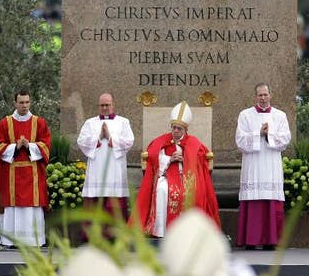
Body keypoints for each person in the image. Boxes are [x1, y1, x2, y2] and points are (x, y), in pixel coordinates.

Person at [134, 101, 220, 237]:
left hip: (187, 177)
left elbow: (202, 161)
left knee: (189, 192)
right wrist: (169, 159)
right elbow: (154, 157)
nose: (175, 131)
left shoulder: (194, 143)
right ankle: (161, 231)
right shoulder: (162, 140)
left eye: (179, 128)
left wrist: (186, 158)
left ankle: (187, 233)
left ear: (185, 130)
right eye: (174, 127)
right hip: (166, 176)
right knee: (162, 189)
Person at [235, 83, 292, 250]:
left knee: (271, 200)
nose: (263, 98)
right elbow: (239, 140)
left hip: (271, 164)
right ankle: (251, 240)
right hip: (253, 165)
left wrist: (269, 135)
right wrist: (258, 134)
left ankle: (271, 240)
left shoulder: (280, 116)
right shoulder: (245, 115)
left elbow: (286, 139)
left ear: (271, 95)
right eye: (260, 95)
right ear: (255, 96)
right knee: (253, 199)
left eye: (265, 94)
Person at [0, 90, 52, 247]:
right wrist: (15, 146)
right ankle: (10, 240)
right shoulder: (5, 123)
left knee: (30, 207)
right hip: (11, 173)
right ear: (15, 103)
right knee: (12, 206)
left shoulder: (39, 122)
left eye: (27, 102)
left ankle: (33, 240)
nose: (24, 106)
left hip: (33, 173)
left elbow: (46, 145)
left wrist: (29, 146)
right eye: (21, 102)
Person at [76, 92, 135, 225]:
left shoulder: (123, 122)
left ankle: (114, 235)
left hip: (115, 170)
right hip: (96, 169)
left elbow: (129, 141)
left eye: (107, 105)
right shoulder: (90, 123)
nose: (104, 108)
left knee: (114, 204)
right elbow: (81, 141)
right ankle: (92, 236)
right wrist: (98, 137)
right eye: (102, 105)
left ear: (113, 105)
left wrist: (109, 137)